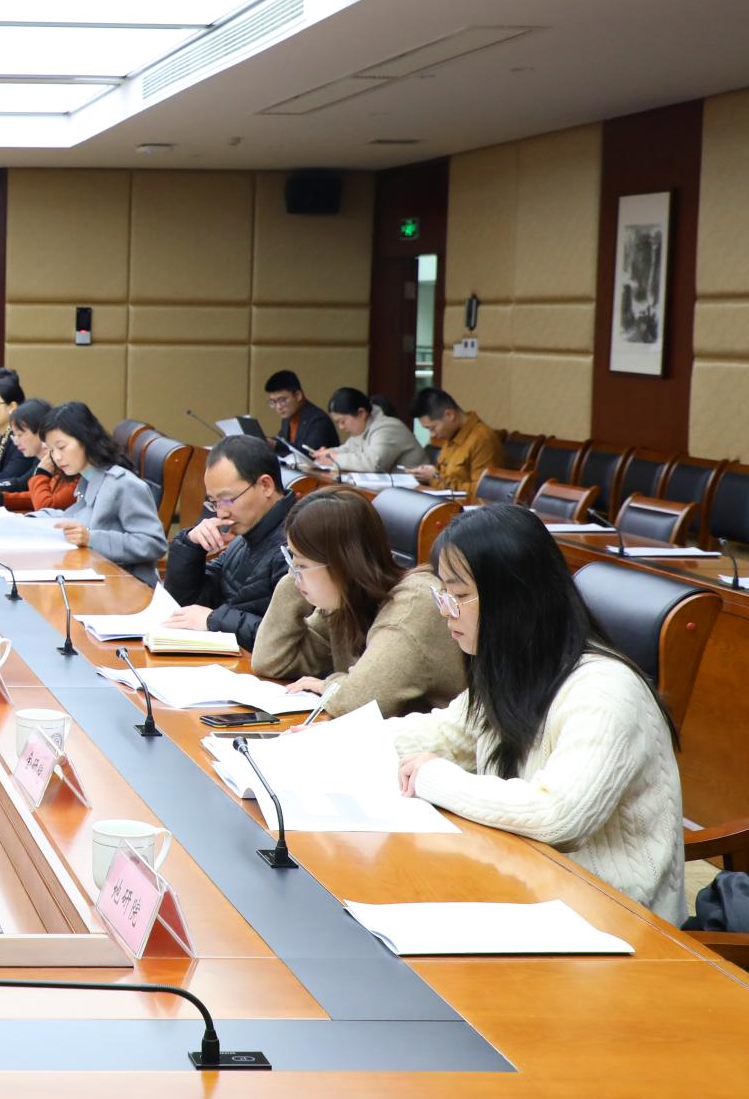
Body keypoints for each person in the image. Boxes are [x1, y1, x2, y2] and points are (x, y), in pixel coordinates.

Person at [387, 504, 683, 921]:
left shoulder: (605, 690)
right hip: (526, 883)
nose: (445, 609)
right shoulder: (518, 667)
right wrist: (328, 744)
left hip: (613, 919)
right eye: (443, 593)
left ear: (515, 597)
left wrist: (432, 777)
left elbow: (556, 816)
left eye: (459, 595)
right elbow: (445, 734)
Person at [249, 487, 465, 718]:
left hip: (438, 741)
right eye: (291, 561)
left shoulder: (412, 607)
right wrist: (297, 578)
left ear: (342, 564)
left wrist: (329, 685)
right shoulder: (348, 601)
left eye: (301, 565)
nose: (293, 574)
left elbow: (355, 703)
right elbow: (271, 661)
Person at [162, 435, 297, 647]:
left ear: (266, 485)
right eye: (214, 502)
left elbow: (288, 638)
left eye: (227, 499)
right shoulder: (246, 537)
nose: (221, 513)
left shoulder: (298, 545)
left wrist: (213, 620)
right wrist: (191, 546)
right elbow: (187, 606)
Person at [43, 400, 169, 584]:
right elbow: (75, 517)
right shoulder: (88, 477)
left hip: (128, 587)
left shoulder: (123, 484)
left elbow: (154, 544)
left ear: (85, 439)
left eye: (61, 447)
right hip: (100, 580)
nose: (57, 457)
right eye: (51, 450)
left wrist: (91, 538)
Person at [409, 387, 502, 493]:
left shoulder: (482, 439)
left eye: (433, 428)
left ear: (449, 415)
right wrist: (426, 474)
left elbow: (482, 493)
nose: (433, 435)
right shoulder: (451, 434)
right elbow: (445, 475)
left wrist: (435, 477)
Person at [313, 386, 427, 472]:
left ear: (361, 413)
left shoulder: (388, 427)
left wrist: (334, 459)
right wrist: (326, 454)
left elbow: (374, 463)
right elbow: (348, 449)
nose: (341, 427)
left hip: (418, 490)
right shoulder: (363, 428)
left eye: (342, 421)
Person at [0, 398, 54, 507]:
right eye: (14, 435)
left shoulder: (60, 464)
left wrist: (41, 473)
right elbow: (25, 487)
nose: (16, 442)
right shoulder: (39, 459)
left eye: (20, 435)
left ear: (41, 431)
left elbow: (46, 503)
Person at [264, 370, 338, 455]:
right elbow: (282, 442)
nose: (278, 407)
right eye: (273, 402)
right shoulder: (288, 418)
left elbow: (310, 454)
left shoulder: (318, 421)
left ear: (298, 396)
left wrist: (275, 445)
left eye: (282, 400)